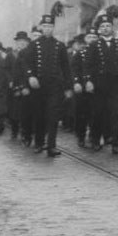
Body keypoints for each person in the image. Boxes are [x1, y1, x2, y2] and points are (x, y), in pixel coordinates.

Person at [23, 15, 72, 156]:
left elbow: (66, 68)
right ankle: (39, 143)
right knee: (39, 115)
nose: (47, 29)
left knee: (53, 116)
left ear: (53, 28)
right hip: (38, 86)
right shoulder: (34, 45)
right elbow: (26, 63)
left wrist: (68, 87)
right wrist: (30, 76)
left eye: (50, 27)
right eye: (45, 27)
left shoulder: (59, 46)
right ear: (41, 28)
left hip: (55, 87)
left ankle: (51, 146)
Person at [85, 10, 118, 154]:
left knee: (116, 115)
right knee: (98, 114)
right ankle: (96, 141)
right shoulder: (94, 45)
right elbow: (88, 66)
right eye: (102, 26)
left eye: (108, 26)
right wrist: (89, 81)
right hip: (99, 85)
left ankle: (115, 144)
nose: (105, 28)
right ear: (99, 29)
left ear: (112, 28)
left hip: (116, 86)